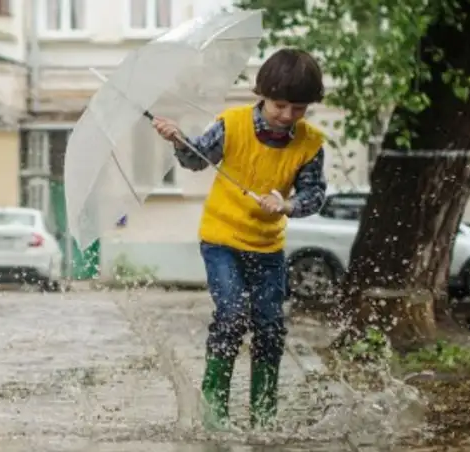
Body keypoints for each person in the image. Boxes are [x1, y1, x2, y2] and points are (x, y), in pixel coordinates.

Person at [152, 48, 328, 431]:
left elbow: (314, 196)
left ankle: (263, 418)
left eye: (299, 108)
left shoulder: (310, 143)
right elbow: (196, 160)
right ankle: (215, 416)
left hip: (268, 247)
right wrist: (179, 139)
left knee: (269, 326)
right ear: (262, 94)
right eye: (280, 105)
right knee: (232, 316)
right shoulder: (231, 125)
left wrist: (288, 204)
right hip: (222, 241)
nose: (287, 116)